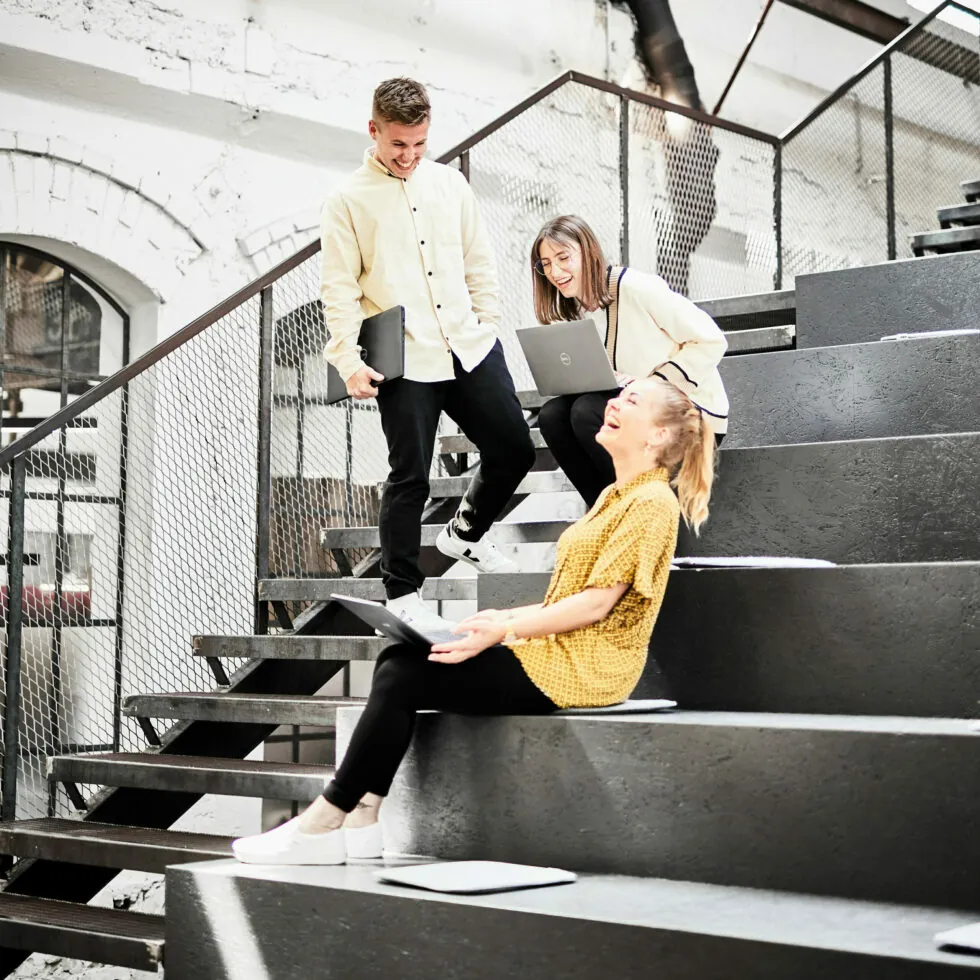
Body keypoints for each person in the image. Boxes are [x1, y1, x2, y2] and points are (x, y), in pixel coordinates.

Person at [232, 373, 715, 865]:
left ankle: (324, 820)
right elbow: (571, 599)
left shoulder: (651, 502)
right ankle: (361, 817)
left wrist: (505, 629)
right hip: (560, 653)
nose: (612, 404)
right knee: (398, 656)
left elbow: (595, 605)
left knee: (404, 674)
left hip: (587, 669)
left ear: (657, 435)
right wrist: (500, 617)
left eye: (630, 401)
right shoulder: (617, 495)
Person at [320, 77, 536, 633]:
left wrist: (487, 323)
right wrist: (348, 361)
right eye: (398, 144)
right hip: (407, 357)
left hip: (467, 343)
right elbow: (339, 288)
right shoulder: (348, 199)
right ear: (374, 130)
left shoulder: (450, 184)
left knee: (514, 447)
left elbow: (478, 261)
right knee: (410, 476)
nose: (409, 155)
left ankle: (466, 533)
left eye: (419, 144)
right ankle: (401, 592)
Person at [531, 215, 729, 509]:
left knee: (587, 411)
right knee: (552, 416)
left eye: (563, 258)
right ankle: (606, 512)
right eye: (546, 264)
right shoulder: (574, 309)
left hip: (691, 413)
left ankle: (639, 509)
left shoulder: (636, 288)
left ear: (588, 252)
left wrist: (652, 386)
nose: (555, 272)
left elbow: (712, 340)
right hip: (635, 407)